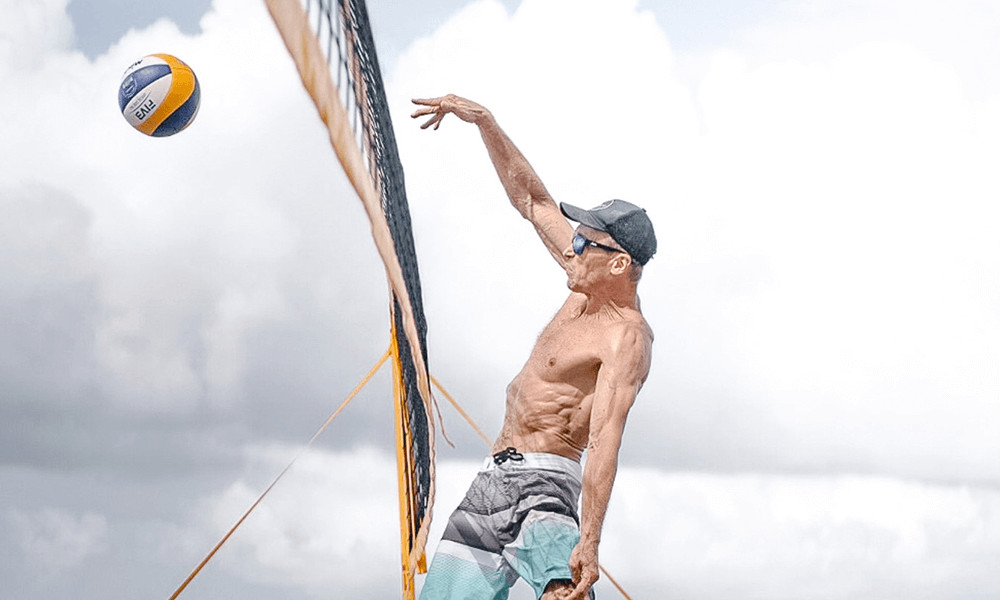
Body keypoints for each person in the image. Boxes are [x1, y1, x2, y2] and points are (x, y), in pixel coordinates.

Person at [411, 94, 656, 600]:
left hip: (544, 486)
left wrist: (589, 540)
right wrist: (484, 122)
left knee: (566, 594)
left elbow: (606, 439)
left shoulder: (625, 336)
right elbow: (534, 202)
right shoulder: (583, 285)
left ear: (618, 263)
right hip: (490, 483)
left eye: (588, 243)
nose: (576, 248)